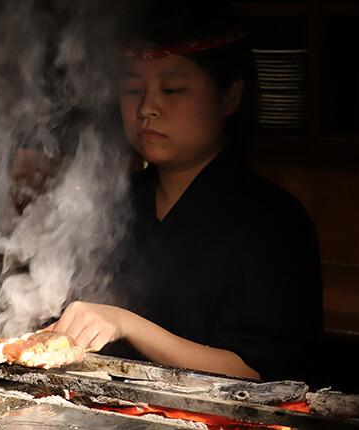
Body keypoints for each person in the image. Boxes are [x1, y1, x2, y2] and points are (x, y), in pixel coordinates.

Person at [47, 0, 324, 383]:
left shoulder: (274, 222)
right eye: (132, 89)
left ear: (229, 96)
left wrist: (126, 324)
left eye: (172, 89)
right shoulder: (107, 204)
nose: (147, 108)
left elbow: (260, 372)